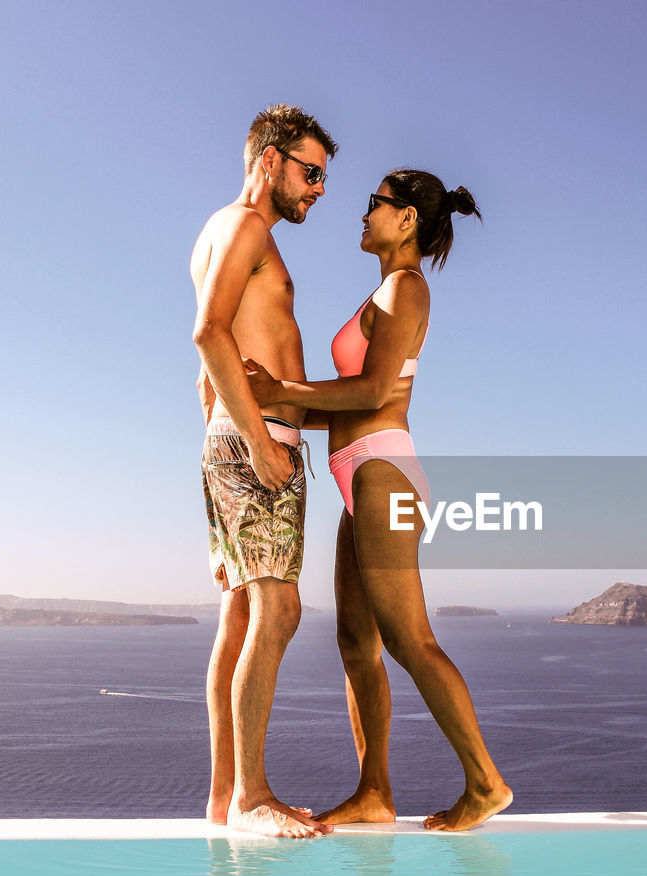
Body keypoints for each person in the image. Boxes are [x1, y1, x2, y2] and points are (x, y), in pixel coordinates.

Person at [247, 168, 513, 830]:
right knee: (355, 641)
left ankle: (484, 783)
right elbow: (345, 405)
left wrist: (281, 390)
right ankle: (376, 792)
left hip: (382, 471)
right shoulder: (385, 289)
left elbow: (370, 395)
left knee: (408, 637)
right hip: (359, 471)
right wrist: (268, 402)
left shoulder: (407, 288)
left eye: (376, 204)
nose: (362, 213)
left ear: (408, 220)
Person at [190, 104, 338, 839]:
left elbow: (205, 370)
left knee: (244, 612)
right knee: (277, 610)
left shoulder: (217, 231)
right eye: (311, 172)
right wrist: (257, 444)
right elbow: (208, 333)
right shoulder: (247, 227)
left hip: (235, 438)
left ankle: (225, 795)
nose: (317, 189)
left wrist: (224, 441)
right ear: (270, 160)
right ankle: (250, 796)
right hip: (256, 442)